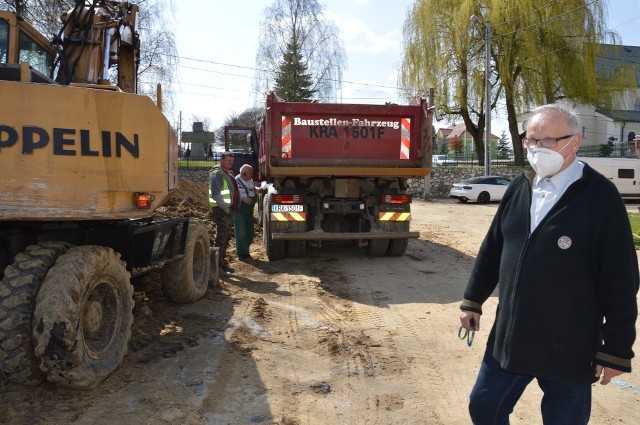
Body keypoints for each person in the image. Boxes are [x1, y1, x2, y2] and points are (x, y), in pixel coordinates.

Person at [459, 103, 639, 424]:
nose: (538, 149)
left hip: (569, 347)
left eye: (549, 141)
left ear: (575, 141)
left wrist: (617, 349)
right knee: (484, 407)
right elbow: (493, 249)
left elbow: (621, 279)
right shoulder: (519, 187)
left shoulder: (600, 197)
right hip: (510, 340)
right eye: (532, 140)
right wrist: (473, 300)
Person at [209, 151, 239, 276]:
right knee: (221, 237)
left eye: (232, 161)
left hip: (228, 210)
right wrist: (225, 208)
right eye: (228, 161)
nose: (230, 163)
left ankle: (222, 263)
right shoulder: (217, 174)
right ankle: (216, 267)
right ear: (221, 160)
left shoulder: (229, 173)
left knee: (226, 237)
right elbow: (216, 194)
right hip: (221, 209)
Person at [234, 164, 259, 261]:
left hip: (249, 212)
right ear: (244, 174)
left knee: (250, 234)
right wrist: (242, 198)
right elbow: (233, 194)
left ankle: (245, 251)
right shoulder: (236, 182)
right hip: (240, 211)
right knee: (241, 234)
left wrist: (258, 190)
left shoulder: (250, 180)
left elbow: (251, 189)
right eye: (250, 173)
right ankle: (242, 254)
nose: (252, 175)